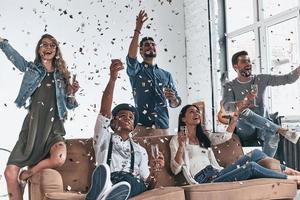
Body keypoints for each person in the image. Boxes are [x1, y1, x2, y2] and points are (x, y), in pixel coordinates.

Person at [0, 34, 79, 200]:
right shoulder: (32, 69)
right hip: (32, 128)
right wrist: (2, 43)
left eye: (52, 45)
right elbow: (16, 59)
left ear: (57, 50)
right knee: (9, 172)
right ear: (39, 49)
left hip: (53, 129)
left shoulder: (63, 76)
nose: (48, 48)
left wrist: (71, 93)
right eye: (44, 45)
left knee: (58, 158)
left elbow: (70, 105)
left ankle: (28, 173)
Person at [87, 59, 165, 200]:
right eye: (123, 116)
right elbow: (104, 112)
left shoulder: (140, 150)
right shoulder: (104, 138)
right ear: (113, 122)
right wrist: (112, 79)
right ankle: (106, 190)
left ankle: (101, 195)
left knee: (132, 182)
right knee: (107, 174)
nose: (128, 118)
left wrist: (155, 170)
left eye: (131, 117)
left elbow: (149, 184)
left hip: (132, 184)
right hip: (110, 178)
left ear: (134, 126)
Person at [169, 104, 300, 185]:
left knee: (256, 153)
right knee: (251, 167)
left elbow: (225, 137)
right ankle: (289, 179)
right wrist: (181, 146)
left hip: (217, 173)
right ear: (183, 118)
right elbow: (175, 169)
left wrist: (234, 119)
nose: (196, 113)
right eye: (191, 112)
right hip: (204, 180)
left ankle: (293, 172)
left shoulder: (204, 137)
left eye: (197, 111)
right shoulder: (176, 140)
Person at [222, 50, 300, 157]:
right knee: (244, 111)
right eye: (244, 61)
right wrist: (244, 101)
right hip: (246, 130)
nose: (248, 64)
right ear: (236, 66)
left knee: (272, 134)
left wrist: (297, 71)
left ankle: (265, 164)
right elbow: (227, 107)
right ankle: (279, 129)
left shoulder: (261, 79)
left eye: (249, 61)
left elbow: (286, 79)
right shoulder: (230, 86)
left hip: (264, 128)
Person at [126, 10, 181, 137]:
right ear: (140, 51)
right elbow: (131, 58)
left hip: (163, 127)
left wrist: (172, 99)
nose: (150, 46)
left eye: (152, 44)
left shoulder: (166, 75)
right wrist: (138, 29)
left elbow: (176, 103)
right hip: (142, 128)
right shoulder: (136, 70)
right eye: (146, 45)